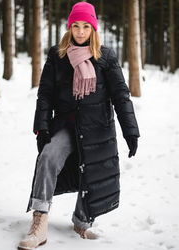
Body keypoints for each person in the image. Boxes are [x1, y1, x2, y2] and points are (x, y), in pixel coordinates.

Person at [18, 1, 140, 249]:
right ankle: (39, 222)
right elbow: (45, 94)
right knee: (48, 157)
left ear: (93, 29)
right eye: (76, 26)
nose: (81, 31)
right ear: (69, 27)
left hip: (96, 129)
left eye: (86, 26)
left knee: (92, 171)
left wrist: (130, 131)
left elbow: (121, 96)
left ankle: (82, 222)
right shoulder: (58, 55)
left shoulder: (105, 57)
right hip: (65, 125)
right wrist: (42, 127)